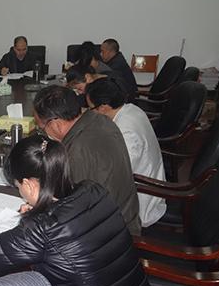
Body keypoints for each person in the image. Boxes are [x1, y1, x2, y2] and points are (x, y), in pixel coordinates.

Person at [0, 136, 150, 286]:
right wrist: (39, 211)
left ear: (28, 184)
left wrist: (31, 221)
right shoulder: (94, 191)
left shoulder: (42, 228)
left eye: (18, 186)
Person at [33, 85, 141, 236]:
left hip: (111, 235)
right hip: (125, 216)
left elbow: (72, 211)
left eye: (42, 128)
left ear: (56, 124)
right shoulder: (99, 120)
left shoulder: (76, 152)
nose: (44, 133)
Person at [86, 78, 166, 227]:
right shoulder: (132, 109)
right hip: (142, 179)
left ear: (103, 107)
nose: (91, 112)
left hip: (140, 198)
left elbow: (118, 175)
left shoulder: (126, 132)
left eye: (91, 108)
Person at [65, 64, 135, 103]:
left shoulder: (110, 86)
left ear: (88, 77)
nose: (80, 93)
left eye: (79, 89)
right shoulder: (100, 76)